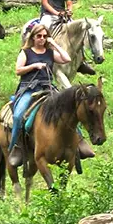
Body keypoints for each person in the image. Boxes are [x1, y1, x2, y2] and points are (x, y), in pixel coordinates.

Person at [7, 23, 71, 168]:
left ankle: (78, 142)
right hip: (29, 89)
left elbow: (67, 59)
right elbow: (18, 70)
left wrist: (54, 44)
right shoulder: (26, 52)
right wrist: (34, 66)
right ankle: (16, 147)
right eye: (39, 36)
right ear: (33, 37)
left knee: (69, 109)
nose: (42, 39)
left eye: (45, 36)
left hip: (47, 88)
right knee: (18, 115)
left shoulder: (49, 53)